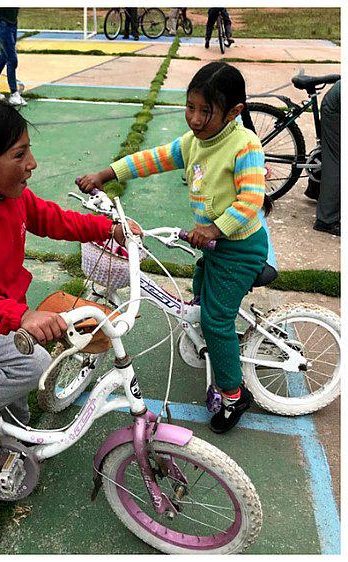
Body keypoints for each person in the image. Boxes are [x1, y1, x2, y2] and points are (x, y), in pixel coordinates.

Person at [0, 94, 141, 462]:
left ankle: (10, 428)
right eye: (19, 155)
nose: (32, 164)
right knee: (30, 363)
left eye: (28, 150)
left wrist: (106, 228)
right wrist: (21, 317)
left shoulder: (7, 194)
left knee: (20, 372)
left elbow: (52, 219)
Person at [78, 62, 267, 433]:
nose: (195, 119)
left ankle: (233, 394)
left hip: (241, 248)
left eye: (205, 111)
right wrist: (107, 174)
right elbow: (154, 158)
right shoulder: (195, 142)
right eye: (190, 107)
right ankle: (212, 335)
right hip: (214, 245)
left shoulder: (245, 145)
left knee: (216, 320)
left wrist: (214, 227)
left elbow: (250, 201)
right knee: (199, 291)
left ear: (234, 113)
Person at [0, 8, 26, 106]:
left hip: (11, 22)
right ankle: (14, 93)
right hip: (1, 23)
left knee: (4, 55)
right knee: (12, 59)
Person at [314, 79, 340, 236]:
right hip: (336, 108)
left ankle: (315, 189)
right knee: (338, 161)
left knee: (331, 153)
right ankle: (326, 220)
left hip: (337, 99)